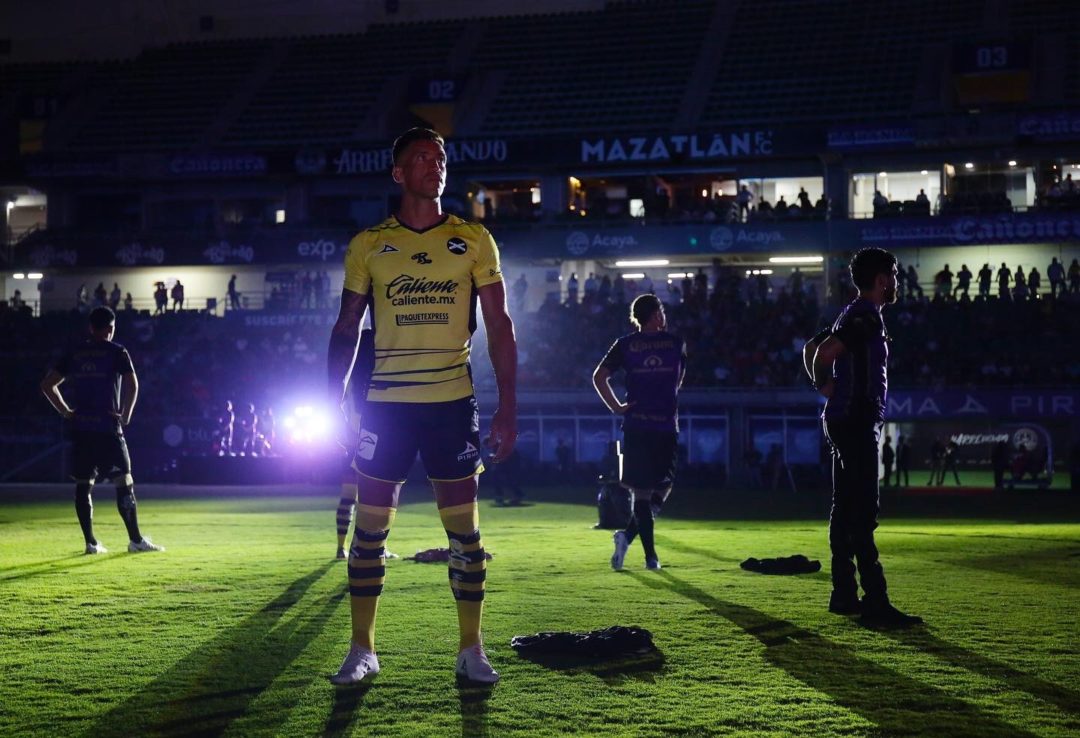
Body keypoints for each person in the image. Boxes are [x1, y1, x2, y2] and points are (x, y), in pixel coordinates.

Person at [326, 127, 516, 685]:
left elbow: (500, 325)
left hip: (451, 403)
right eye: (421, 158)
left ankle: (471, 648)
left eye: (440, 158)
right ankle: (362, 649)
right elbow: (346, 327)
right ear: (397, 173)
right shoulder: (368, 244)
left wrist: (508, 405)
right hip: (385, 404)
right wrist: (333, 397)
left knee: (465, 535)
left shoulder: (474, 238)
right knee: (370, 534)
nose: (434, 165)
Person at [802, 247, 921, 624]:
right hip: (856, 419)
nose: (896, 282)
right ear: (882, 279)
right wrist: (825, 385)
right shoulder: (865, 318)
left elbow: (811, 347)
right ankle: (875, 601)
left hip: (843, 417)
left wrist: (824, 388)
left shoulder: (851, 313)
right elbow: (822, 353)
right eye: (894, 275)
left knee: (844, 507)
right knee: (863, 512)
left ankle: (844, 594)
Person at [39, 307, 164, 555]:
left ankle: (91, 543)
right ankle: (135, 540)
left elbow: (47, 384)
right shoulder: (117, 351)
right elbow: (132, 384)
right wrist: (126, 414)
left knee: (83, 485)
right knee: (124, 481)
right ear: (110, 328)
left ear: (90, 327)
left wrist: (66, 411)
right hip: (107, 428)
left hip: (82, 429)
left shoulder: (75, 352)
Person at [594, 294, 686, 573]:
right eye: (661, 311)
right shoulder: (675, 343)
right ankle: (651, 558)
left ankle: (627, 538)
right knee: (657, 490)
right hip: (666, 426)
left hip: (637, 426)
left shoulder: (625, 344)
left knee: (646, 492)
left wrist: (617, 407)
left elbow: (599, 376)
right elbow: (678, 382)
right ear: (656, 315)